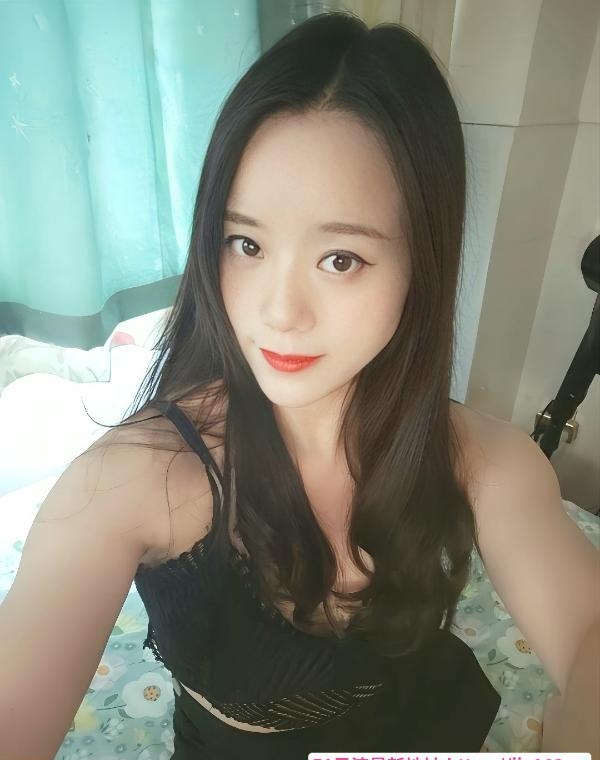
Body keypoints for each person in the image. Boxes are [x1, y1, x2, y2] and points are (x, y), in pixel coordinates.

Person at [1, 10, 598, 760]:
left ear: (422, 265)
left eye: (340, 259)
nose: (278, 313)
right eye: (245, 243)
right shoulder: (129, 483)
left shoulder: (482, 458)